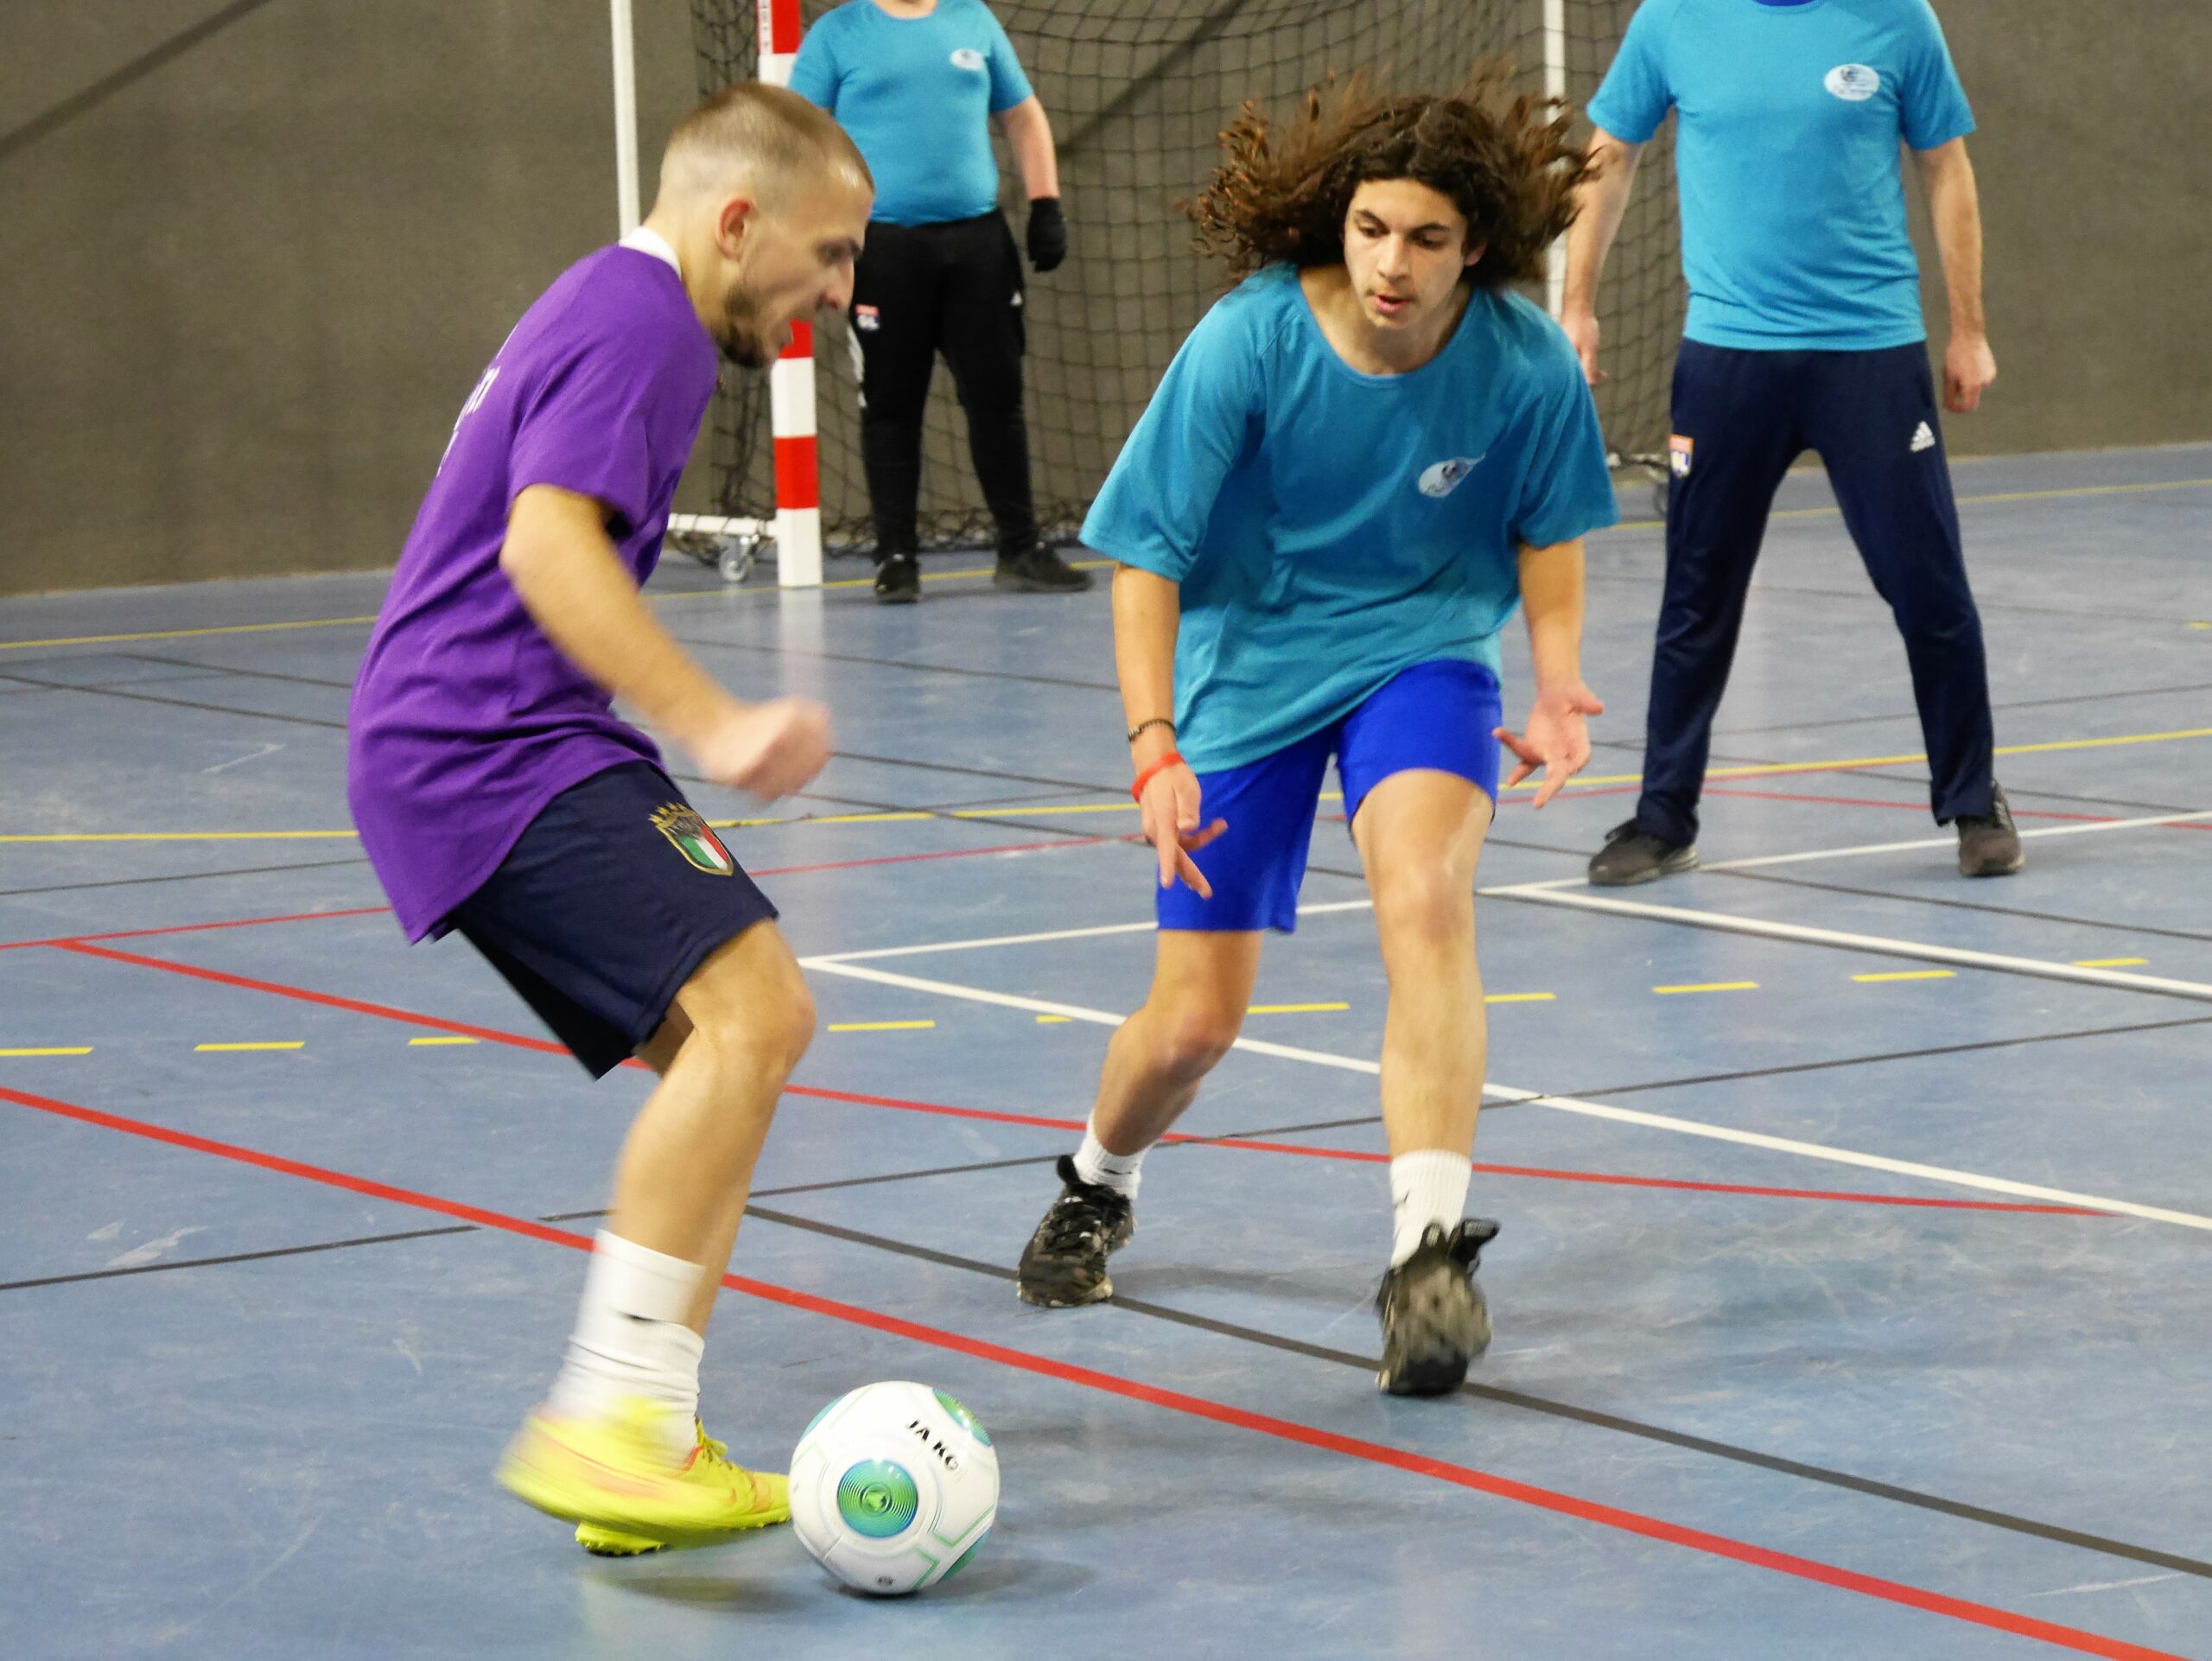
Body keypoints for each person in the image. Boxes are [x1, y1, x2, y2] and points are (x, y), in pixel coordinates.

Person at [1013, 73, 1619, 1397]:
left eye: (1428, 239)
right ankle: (1095, 1182)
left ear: (1481, 249)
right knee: (1192, 1025)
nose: (1392, 264)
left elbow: (1549, 527)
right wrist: (1154, 744)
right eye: (1371, 228)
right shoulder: (1251, 340)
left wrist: (1558, 675)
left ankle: (1428, 1258)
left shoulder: (1521, 364)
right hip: (1249, 672)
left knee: (1428, 900)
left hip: (1422, 651)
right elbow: (1145, 558)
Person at [346, 86, 871, 1554]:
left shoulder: (612, 306)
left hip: (480, 743)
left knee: (731, 1040)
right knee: (757, 1016)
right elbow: (544, 541)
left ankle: (644, 1438)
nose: (836, 292)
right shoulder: (643, 321)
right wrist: (716, 721)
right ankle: (610, 1416)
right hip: (488, 745)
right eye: (826, 255)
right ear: (736, 221)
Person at [1566, 0, 2023, 885]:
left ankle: (1971, 798)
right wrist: (1577, 304)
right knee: (1697, 594)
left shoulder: (1897, 18)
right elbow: (1608, 155)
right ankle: (1663, 816)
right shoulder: (1672, 20)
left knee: (1928, 588)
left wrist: (1967, 328)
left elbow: (1946, 168)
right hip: (1728, 359)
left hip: (1871, 355)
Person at [790, 0, 1091, 602]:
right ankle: (896, 556)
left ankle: (1020, 547)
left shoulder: (971, 20)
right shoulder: (838, 35)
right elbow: (796, 136)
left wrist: (1046, 204)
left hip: (978, 244)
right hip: (883, 249)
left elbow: (1024, 116)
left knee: (997, 397)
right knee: (891, 403)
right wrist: (816, 235)